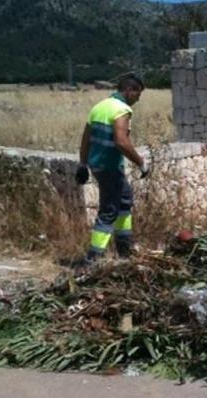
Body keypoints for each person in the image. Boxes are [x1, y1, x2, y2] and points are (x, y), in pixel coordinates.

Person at [77, 74, 150, 263]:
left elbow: (86, 138)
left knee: (125, 199)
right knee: (109, 210)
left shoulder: (100, 107)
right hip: (109, 166)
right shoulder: (121, 109)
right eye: (137, 94)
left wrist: (83, 163)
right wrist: (141, 163)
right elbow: (121, 141)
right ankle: (93, 258)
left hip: (97, 164)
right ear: (129, 91)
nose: (138, 99)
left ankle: (124, 248)